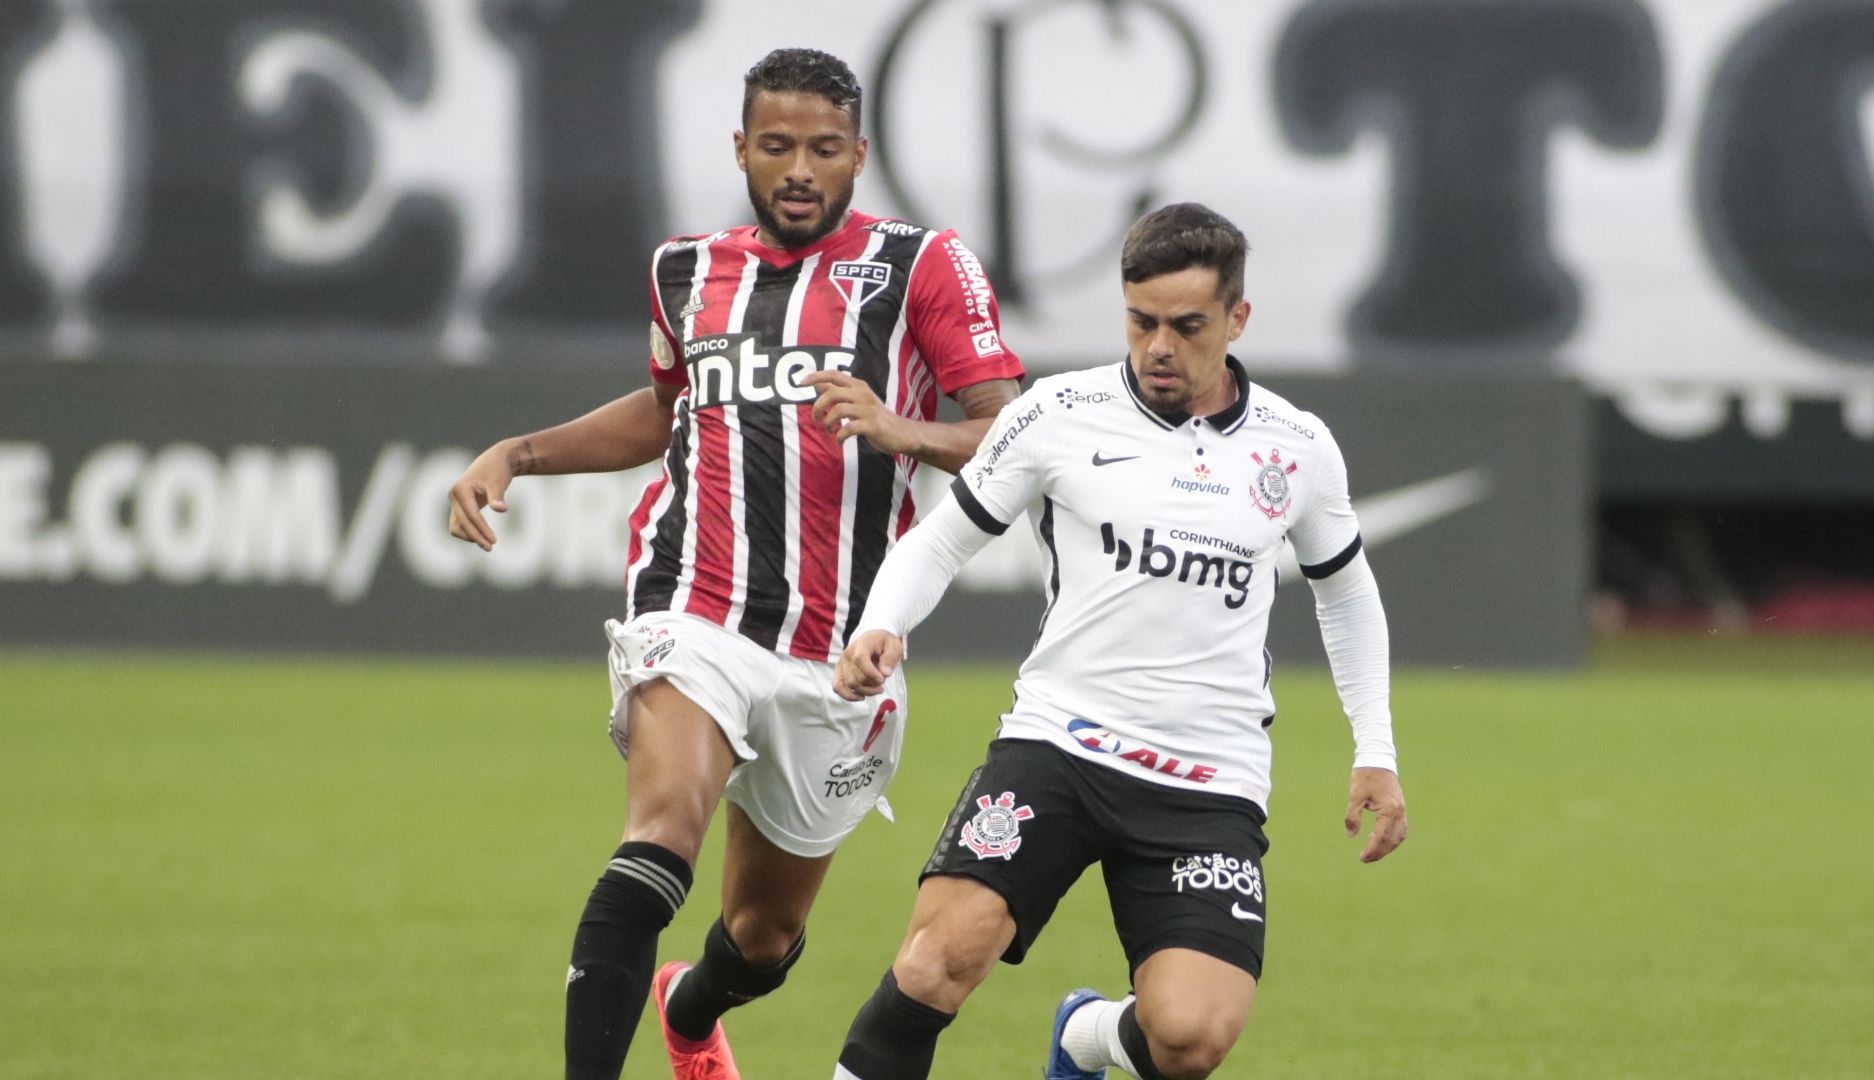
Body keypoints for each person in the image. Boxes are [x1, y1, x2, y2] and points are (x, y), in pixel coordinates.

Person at [446, 48, 1024, 1080]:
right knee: (661, 830)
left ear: (859, 154)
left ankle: (695, 1006)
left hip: (842, 648)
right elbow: (669, 410)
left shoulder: (921, 264)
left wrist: (900, 428)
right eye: (775, 146)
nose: (798, 169)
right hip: (694, 603)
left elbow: (1014, 431)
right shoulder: (686, 268)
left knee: (761, 940)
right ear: (741, 149)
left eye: (821, 149)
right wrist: (519, 453)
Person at [824, 202, 1408, 1080]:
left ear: (1237, 320)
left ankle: (1085, 1037)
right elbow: (944, 538)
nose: (1159, 346)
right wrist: (882, 622)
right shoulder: (1058, 412)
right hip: (1060, 744)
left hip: (1208, 780)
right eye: (1141, 322)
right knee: (937, 961)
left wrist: (1376, 748)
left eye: (1187, 325)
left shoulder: (1298, 448)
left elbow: (1347, 593)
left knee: (1190, 1041)